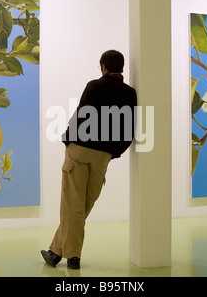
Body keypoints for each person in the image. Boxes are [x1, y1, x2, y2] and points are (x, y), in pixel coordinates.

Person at [41, 50, 137, 269]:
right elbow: (128, 129)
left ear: (103, 66)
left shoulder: (94, 86)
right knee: (82, 206)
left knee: (72, 206)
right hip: (103, 156)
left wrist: (67, 140)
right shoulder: (130, 93)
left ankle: (72, 258)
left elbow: (82, 115)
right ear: (121, 68)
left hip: (80, 150)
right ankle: (55, 252)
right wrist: (114, 152)